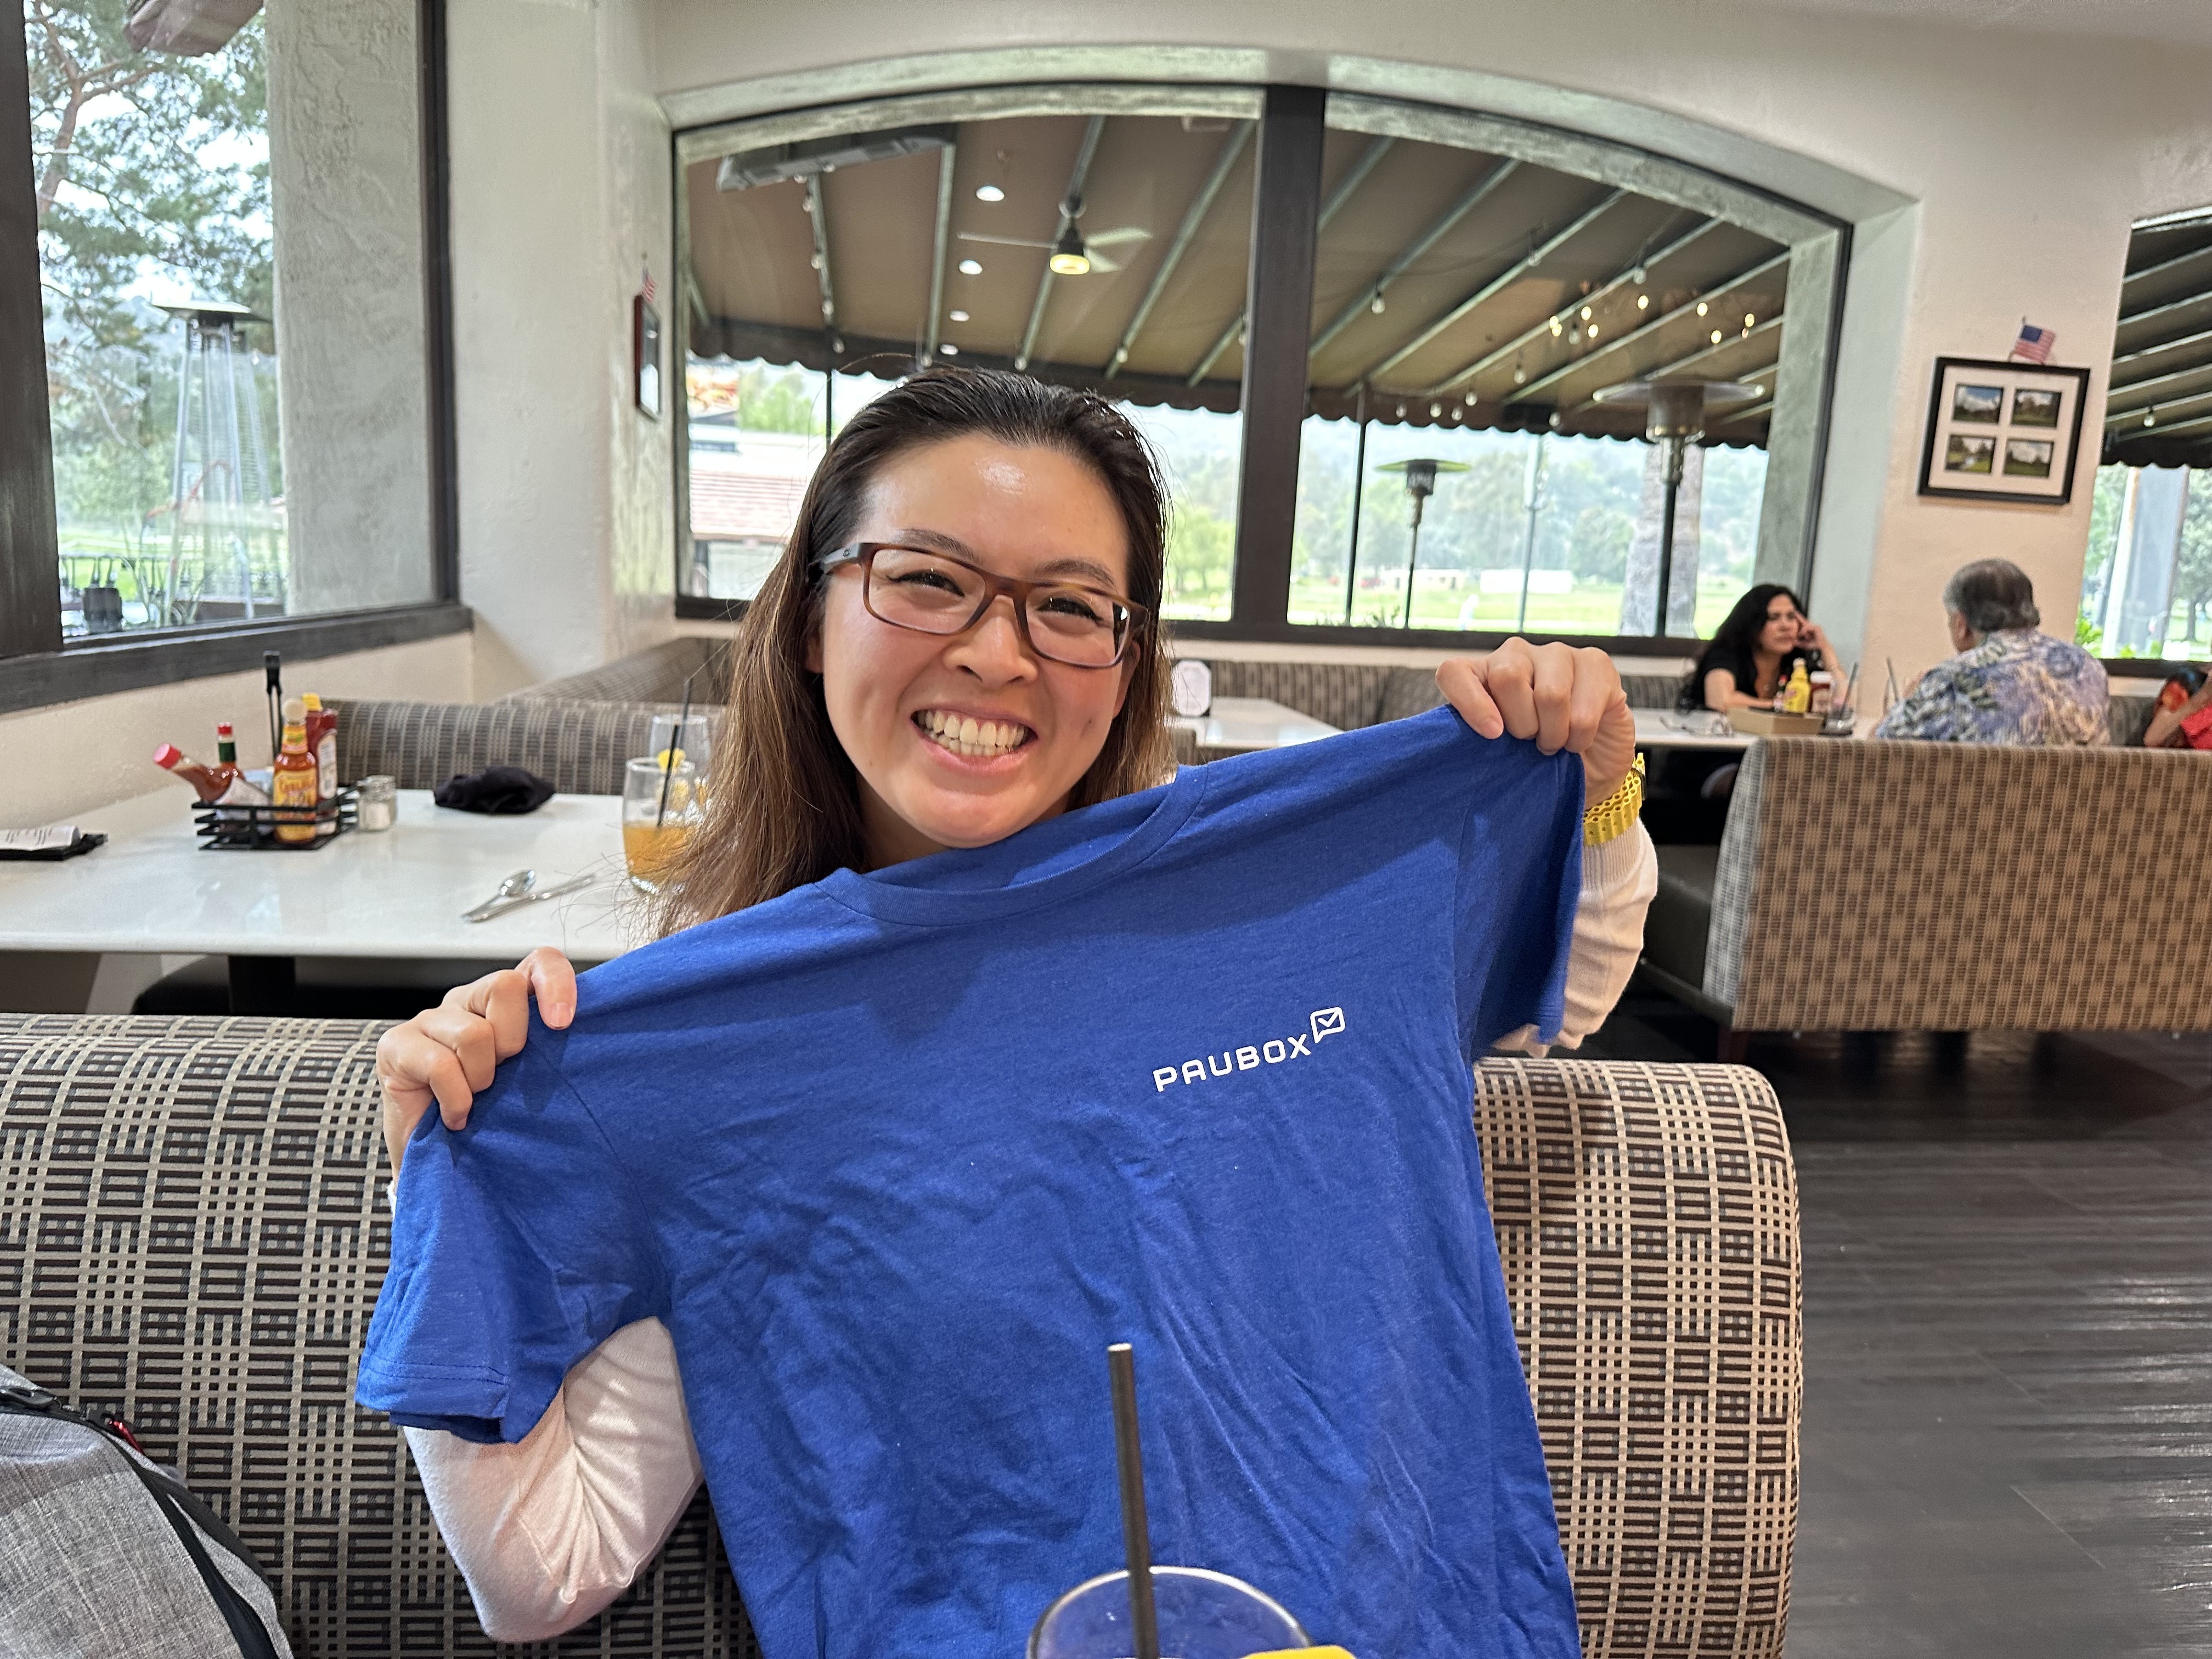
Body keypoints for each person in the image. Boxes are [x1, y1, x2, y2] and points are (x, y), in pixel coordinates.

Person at [359, 368, 1658, 1655]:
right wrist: (450, 1166)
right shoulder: (716, 1054)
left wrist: (1599, 788)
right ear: (811, 617)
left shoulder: (1293, 898)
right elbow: (538, 1577)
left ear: (1127, 662)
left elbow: (1565, 988)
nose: (995, 652)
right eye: (928, 579)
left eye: (1070, 606)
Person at [1874, 558, 2107, 744]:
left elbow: (1878, 751)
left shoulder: (1953, 676)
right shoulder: (2087, 665)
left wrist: (1908, 700)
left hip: (1989, 792)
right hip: (2075, 791)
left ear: (1961, 624)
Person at [1675, 583, 1843, 715]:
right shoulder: (1725, 654)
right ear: (1752, 625)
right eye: (1774, 618)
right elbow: (1721, 702)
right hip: (1717, 744)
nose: (1786, 626)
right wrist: (1780, 706)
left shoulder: (1797, 662)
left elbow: (1841, 704)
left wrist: (1825, 648)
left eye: (1791, 617)